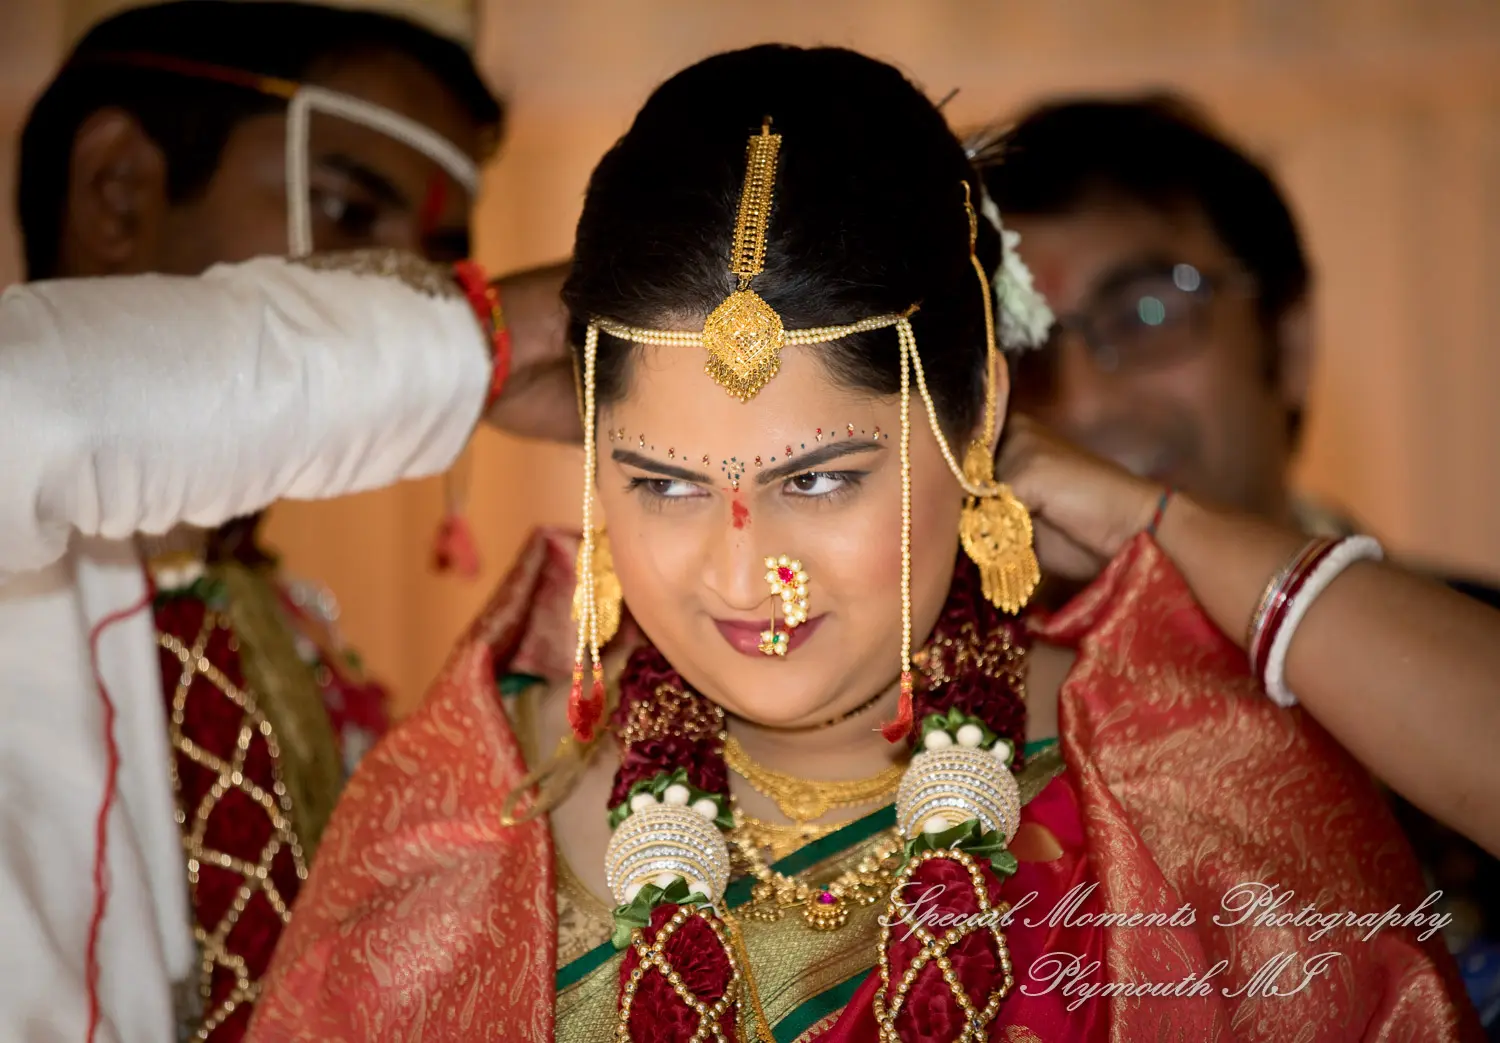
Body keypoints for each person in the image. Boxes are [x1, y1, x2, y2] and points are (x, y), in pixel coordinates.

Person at [248, 45, 1487, 1041]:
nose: (745, 574)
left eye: (822, 476)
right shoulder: (467, 806)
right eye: (665, 483)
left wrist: (1152, 520)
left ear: (982, 415)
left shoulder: (1191, 785)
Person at [0, 2, 569, 1040]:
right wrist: (483, 329)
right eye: (351, 214)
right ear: (117, 190)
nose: (405, 287)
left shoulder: (281, 618)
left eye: (440, 258)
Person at [975, 94, 1500, 1032]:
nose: (1088, 402)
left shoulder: (1474, 655)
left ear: (1288, 344)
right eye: (1026, 343)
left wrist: (1155, 524)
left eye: (1145, 309)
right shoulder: (957, 738)